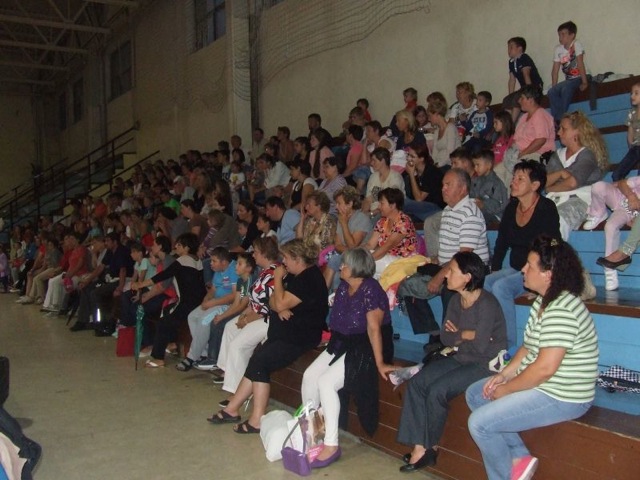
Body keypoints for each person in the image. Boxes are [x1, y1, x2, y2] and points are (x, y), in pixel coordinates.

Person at [466, 235, 599, 480]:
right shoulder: (543, 301)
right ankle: (519, 456)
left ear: (548, 274)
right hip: (546, 385)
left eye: (529, 265)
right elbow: (528, 347)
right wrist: (504, 375)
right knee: (476, 393)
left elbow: (544, 369)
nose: (523, 270)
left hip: (563, 396)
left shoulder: (562, 309)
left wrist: (507, 390)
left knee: (479, 424)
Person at [397, 251, 507, 473]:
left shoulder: (487, 304)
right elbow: (446, 338)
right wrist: (467, 335)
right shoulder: (456, 301)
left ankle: (430, 447)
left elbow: (481, 347)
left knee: (437, 390)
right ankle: (419, 445)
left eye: (452, 271)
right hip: (461, 356)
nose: (446, 275)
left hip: (484, 364)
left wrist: (462, 335)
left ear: (467, 277)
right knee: (417, 383)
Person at [207, 239, 328, 434]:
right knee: (256, 361)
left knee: (261, 364)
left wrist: (278, 281)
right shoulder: (295, 275)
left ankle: (257, 420)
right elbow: (272, 301)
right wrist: (280, 304)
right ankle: (232, 409)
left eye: (286, 258)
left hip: (299, 337)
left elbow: (278, 302)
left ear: (298, 259)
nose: (283, 262)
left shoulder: (309, 278)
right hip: (283, 333)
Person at [301, 248, 396, 469]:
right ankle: (313, 435)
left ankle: (331, 445)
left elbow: (374, 329)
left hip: (367, 345)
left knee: (326, 382)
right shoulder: (344, 286)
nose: (341, 267)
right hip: (343, 341)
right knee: (309, 376)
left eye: (345, 264)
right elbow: (339, 322)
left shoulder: (371, 289)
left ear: (356, 268)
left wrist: (380, 362)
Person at [485, 160, 561, 348]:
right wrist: (495, 268)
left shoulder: (546, 208)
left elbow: (554, 244)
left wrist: (540, 285)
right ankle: (490, 335)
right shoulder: (511, 208)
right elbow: (502, 242)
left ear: (535, 185)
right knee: (486, 282)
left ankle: (507, 345)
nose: (513, 182)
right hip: (516, 268)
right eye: (514, 178)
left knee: (501, 287)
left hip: (537, 270)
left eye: (520, 179)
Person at [131, 232, 206, 368]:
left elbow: (163, 275)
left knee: (163, 322)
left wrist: (140, 284)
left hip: (186, 302)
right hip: (197, 301)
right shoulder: (198, 261)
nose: (176, 247)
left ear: (187, 248)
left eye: (179, 245)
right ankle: (171, 344)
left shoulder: (183, 260)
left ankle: (158, 357)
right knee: (166, 313)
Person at [545, 111, 607, 240]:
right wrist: (559, 173)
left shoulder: (587, 155)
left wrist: (551, 188)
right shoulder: (557, 155)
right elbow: (543, 181)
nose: (559, 133)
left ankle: (554, 249)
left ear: (577, 132)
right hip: (555, 199)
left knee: (559, 221)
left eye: (563, 129)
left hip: (580, 200)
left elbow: (573, 183)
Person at [176, 247, 239, 371]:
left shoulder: (233, 270)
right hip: (215, 303)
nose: (211, 264)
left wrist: (212, 303)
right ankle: (203, 353)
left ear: (224, 262)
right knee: (192, 316)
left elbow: (233, 296)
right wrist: (206, 300)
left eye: (214, 261)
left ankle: (192, 357)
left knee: (204, 320)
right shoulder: (218, 270)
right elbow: (213, 290)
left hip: (226, 305)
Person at [583, 176, 640, 290]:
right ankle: (598, 213)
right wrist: (631, 196)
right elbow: (622, 183)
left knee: (610, 226)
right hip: (620, 202)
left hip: (631, 215)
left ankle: (610, 272)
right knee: (598, 186)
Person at [496, 85, 555, 188]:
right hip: (518, 152)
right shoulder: (524, 117)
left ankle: (514, 195)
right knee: (497, 171)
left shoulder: (540, 115)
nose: (519, 101)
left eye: (522, 98)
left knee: (515, 173)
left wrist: (523, 153)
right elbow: (515, 139)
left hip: (535, 154)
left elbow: (541, 140)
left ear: (531, 100)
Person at [323, 186, 373, 289]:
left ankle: (322, 293)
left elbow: (352, 245)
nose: (336, 207)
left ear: (350, 204)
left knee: (334, 259)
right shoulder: (341, 218)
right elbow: (337, 245)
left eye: (339, 203)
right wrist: (349, 249)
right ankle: (329, 296)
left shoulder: (362, 219)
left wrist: (344, 224)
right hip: (347, 257)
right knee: (336, 274)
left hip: (361, 259)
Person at [362, 187, 417, 276]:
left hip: (403, 261)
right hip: (386, 257)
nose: (379, 207)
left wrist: (363, 261)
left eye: (382, 203)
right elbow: (370, 244)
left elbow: (387, 247)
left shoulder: (403, 222)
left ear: (393, 205)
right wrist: (356, 253)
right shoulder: (382, 221)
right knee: (361, 255)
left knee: (364, 264)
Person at [548, 21, 589, 124]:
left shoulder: (576, 44)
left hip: (581, 76)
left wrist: (584, 82)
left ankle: (560, 119)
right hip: (570, 80)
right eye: (559, 35)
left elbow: (580, 63)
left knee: (566, 88)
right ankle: (556, 120)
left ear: (572, 35)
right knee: (551, 92)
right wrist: (554, 87)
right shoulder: (558, 49)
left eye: (563, 34)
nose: (560, 37)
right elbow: (555, 71)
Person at [502, 37, 543, 122]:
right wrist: (510, 95)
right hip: (524, 89)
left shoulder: (524, 58)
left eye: (511, 47)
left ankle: (512, 123)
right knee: (506, 100)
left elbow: (526, 75)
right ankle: (507, 123)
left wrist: (529, 93)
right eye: (508, 48)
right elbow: (512, 80)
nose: (508, 50)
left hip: (534, 87)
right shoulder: (511, 62)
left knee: (516, 98)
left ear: (520, 49)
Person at [402, 144, 445, 222]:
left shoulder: (432, 172)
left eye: (412, 156)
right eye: (408, 155)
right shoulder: (411, 171)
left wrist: (411, 175)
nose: (408, 158)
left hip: (435, 208)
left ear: (421, 159)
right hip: (420, 209)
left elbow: (419, 199)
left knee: (402, 202)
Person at [362, 148, 405, 216]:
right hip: (372, 212)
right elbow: (368, 199)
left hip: (386, 213)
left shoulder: (395, 178)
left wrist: (371, 214)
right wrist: (363, 214)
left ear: (383, 161)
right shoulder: (373, 177)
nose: (371, 163)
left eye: (374, 160)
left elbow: (391, 204)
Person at [611, 81, 640, 181]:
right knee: (616, 175)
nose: (632, 96)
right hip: (635, 148)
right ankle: (622, 187)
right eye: (631, 93)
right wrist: (631, 145)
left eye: (636, 93)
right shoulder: (632, 113)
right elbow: (630, 131)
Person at [470, 149, 508, 224]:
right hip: (479, 212)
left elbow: (500, 205)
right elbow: (471, 195)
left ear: (489, 165)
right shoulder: (475, 181)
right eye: (474, 165)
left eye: (478, 165)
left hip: (494, 217)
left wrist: (483, 204)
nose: (475, 168)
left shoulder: (496, 184)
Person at [296, 191, 337, 256]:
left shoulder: (328, 222)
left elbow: (325, 248)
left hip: (320, 258)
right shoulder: (310, 221)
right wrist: (302, 218)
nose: (306, 207)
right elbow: (299, 240)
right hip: (308, 256)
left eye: (309, 205)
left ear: (318, 206)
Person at [428, 97, 461, 168]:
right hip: (438, 164)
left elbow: (450, 152)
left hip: (450, 164)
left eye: (430, 116)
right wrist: (433, 165)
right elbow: (435, 152)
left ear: (437, 114)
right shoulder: (437, 131)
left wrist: (438, 165)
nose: (429, 119)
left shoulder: (451, 128)